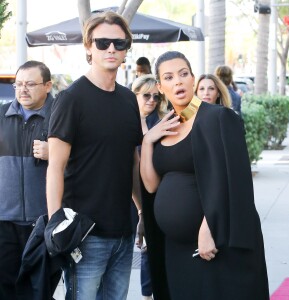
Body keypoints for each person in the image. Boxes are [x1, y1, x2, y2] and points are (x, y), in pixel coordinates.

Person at [140, 51, 269, 300]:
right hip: (176, 247)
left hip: (213, 244)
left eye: (183, 74)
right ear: (160, 86)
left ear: (192, 79)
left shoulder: (218, 117)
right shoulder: (165, 127)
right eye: (169, 77)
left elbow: (233, 179)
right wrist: (147, 142)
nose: (177, 81)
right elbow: (151, 186)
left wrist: (210, 228)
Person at [46, 11, 144, 300]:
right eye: (102, 43)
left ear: (127, 48)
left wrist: (142, 212)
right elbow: (55, 166)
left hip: (124, 232)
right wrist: (56, 224)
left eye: (118, 42)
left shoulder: (129, 99)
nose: (111, 48)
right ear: (88, 47)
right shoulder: (71, 99)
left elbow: (132, 161)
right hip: (84, 234)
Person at [0, 60, 53, 299]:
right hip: (4, 222)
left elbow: (86, 159)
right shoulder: (1, 115)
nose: (23, 89)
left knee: (38, 291)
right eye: (18, 84)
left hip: (43, 221)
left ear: (48, 86)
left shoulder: (60, 116)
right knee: (6, 289)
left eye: (30, 84)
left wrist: (56, 153)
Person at [132, 74, 168, 300]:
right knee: (143, 247)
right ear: (135, 94)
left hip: (157, 192)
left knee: (154, 247)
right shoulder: (124, 122)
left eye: (156, 96)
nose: (151, 100)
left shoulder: (162, 120)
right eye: (146, 95)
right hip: (130, 194)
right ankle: (146, 294)